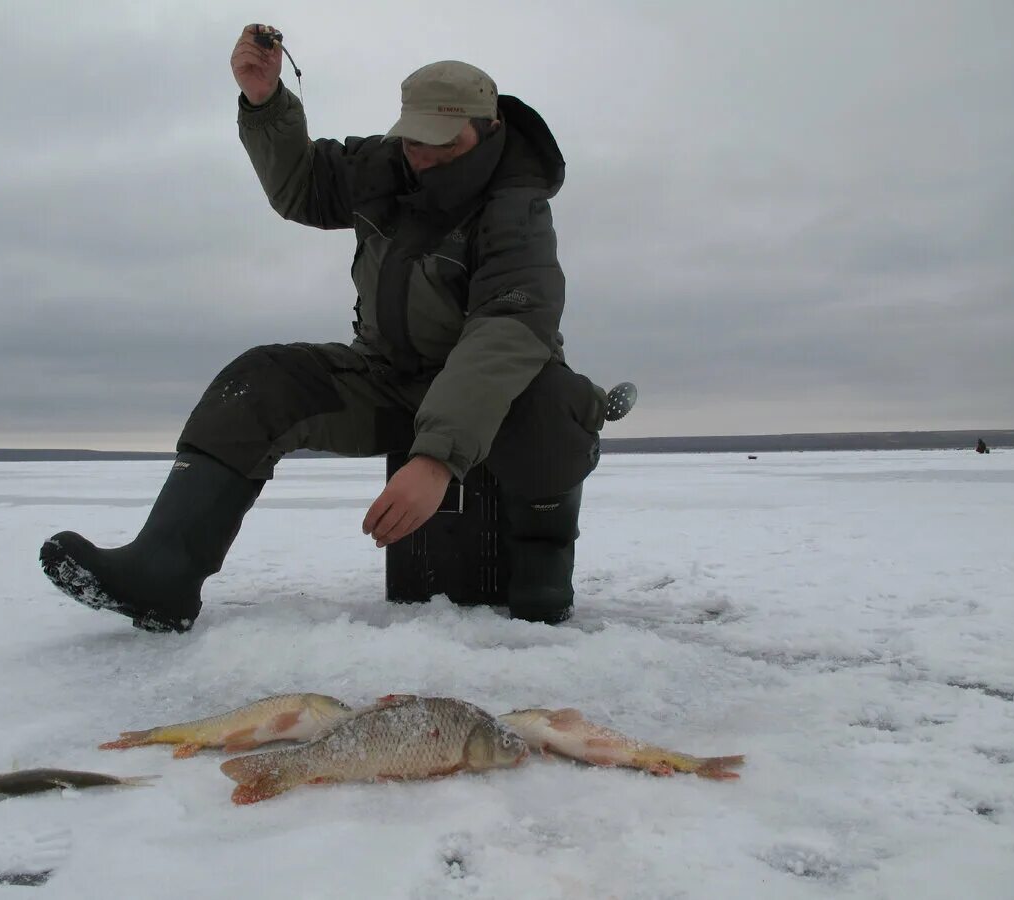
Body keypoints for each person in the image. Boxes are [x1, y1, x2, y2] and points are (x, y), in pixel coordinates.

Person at [39, 24, 608, 633]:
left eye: (442, 141)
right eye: (413, 138)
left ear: (487, 130)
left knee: (552, 405)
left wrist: (436, 458)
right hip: (389, 382)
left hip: (500, 398)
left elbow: (509, 326)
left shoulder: (516, 208)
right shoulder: (384, 168)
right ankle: (162, 574)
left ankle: (544, 571)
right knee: (260, 383)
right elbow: (303, 187)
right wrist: (265, 102)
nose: (421, 154)